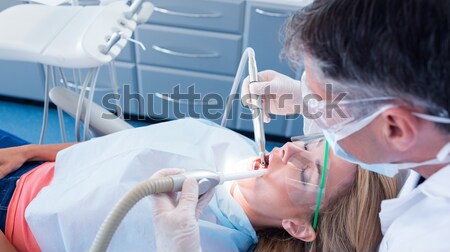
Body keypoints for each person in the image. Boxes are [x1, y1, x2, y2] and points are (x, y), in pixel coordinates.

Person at [238, 0, 449, 251]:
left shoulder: (429, 241)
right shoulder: (431, 132)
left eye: (322, 105)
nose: (288, 148)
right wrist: (305, 99)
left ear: (397, 129)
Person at [0, 119, 397, 251]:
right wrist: (30, 151)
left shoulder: (193, 243)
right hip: (31, 163)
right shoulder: (233, 146)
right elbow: (120, 146)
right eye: (307, 144)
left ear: (298, 226)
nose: (285, 151)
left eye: (307, 172)